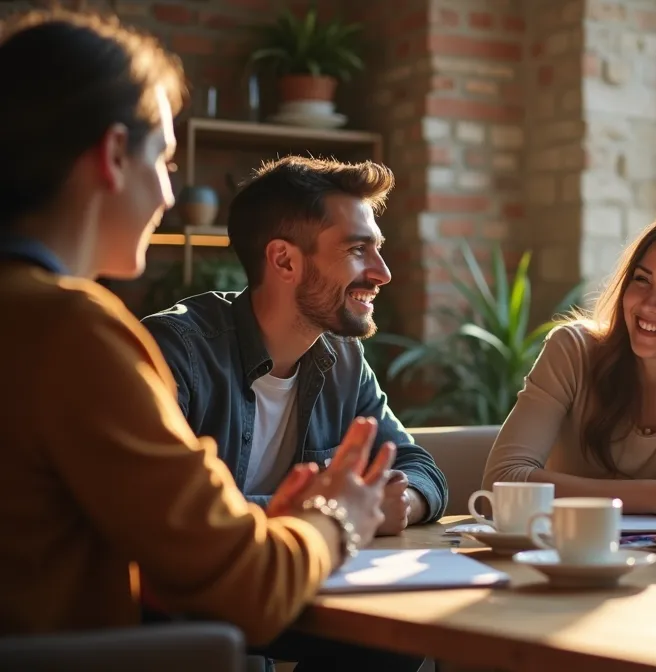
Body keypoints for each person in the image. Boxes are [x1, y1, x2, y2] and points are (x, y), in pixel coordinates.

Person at [0, 8, 410, 667]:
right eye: (162, 156)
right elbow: (247, 585)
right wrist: (336, 518)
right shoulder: (70, 331)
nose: (168, 191)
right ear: (110, 155)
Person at [142, 155, 447, 536]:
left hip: (309, 579)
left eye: (378, 249)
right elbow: (167, 506)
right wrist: (334, 511)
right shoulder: (174, 353)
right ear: (284, 261)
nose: (383, 273)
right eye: (357, 250)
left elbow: (418, 466)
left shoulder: (343, 359)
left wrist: (399, 503)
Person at [481, 207, 656, 519]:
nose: (648, 304)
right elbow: (501, 482)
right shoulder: (571, 351)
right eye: (641, 279)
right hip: (566, 556)